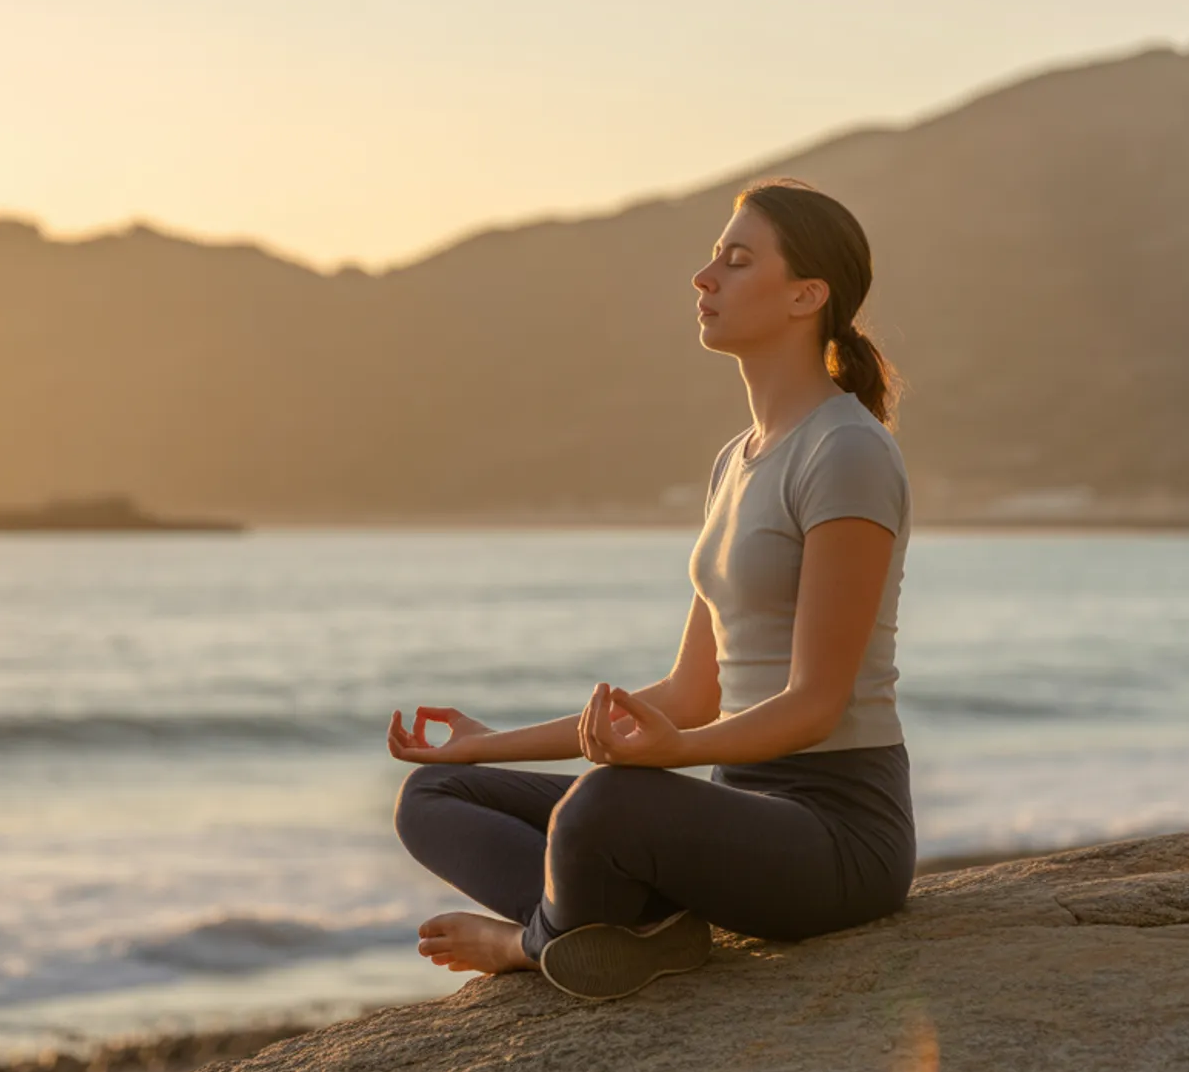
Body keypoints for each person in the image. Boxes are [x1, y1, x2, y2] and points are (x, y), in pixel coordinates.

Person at [388, 177, 915, 1001]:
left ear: (806, 295)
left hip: (838, 837)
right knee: (434, 792)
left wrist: (670, 755)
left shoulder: (845, 452)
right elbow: (689, 691)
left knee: (606, 808)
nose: (704, 279)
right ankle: (627, 930)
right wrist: (483, 743)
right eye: (711, 259)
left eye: (736, 262)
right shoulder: (735, 461)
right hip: (735, 824)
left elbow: (815, 704)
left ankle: (532, 944)